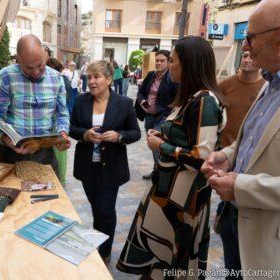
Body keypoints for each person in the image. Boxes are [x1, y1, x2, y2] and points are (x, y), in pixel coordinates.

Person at [117, 36, 226, 279]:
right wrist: (164, 135)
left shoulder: (205, 101)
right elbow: (184, 138)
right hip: (170, 196)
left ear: (188, 64)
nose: (168, 66)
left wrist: (162, 146)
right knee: (162, 261)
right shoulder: (190, 98)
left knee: (174, 262)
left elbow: (202, 158)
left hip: (183, 202)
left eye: (173, 60)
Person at [202, 0, 280, 275]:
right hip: (233, 220)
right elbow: (256, 140)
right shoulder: (272, 83)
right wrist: (226, 156)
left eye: (250, 37)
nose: (246, 46)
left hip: (269, 242)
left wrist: (242, 187)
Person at [70, 60, 141, 264]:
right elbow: (72, 127)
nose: (91, 81)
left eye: (96, 77)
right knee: (97, 209)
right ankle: (99, 242)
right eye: (89, 77)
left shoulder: (124, 103)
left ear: (109, 80)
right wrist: (85, 134)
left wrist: (118, 136)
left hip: (111, 168)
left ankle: (104, 253)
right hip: (87, 167)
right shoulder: (81, 101)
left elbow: (135, 133)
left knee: (105, 211)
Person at [212, 50, 265, 278]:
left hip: (255, 176)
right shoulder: (226, 85)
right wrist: (223, 151)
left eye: (251, 54)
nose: (247, 57)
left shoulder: (267, 87)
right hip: (230, 162)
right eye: (243, 53)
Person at [0, 35, 70, 177]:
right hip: (12, 155)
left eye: (40, 66)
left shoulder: (57, 78)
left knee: (49, 198)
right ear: (18, 60)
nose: (36, 72)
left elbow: (62, 114)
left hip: (46, 154)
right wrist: (6, 139)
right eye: (29, 68)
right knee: (14, 198)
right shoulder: (5, 77)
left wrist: (62, 134)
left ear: (45, 54)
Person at [136, 49, 178, 180]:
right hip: (149, 115)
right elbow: (141, 92)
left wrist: (169, 114)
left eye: (162, 61)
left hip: (163, 117)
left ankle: (160, 173)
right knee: (151, 143)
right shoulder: (151, 75)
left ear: (168, 62)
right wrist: (142, 100)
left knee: (157, 145)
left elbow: (177, 98)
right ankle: (157, 169)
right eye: (157, 60)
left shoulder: (172, 78)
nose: (159, 63)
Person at [46, 57, 71, 185]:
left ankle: (59, 179)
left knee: (58, 154)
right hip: (59, 126)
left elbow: (63, 107)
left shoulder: (60, 80)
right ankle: (60, 179)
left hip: (58, 126)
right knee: (59, 155)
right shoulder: (63, 79)